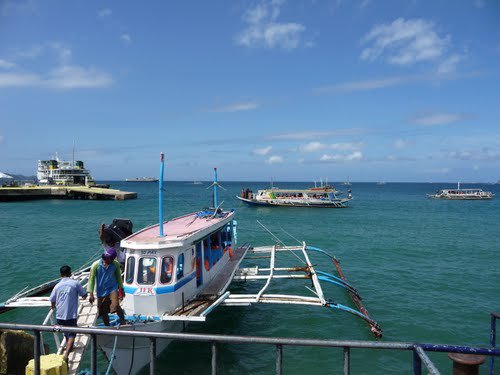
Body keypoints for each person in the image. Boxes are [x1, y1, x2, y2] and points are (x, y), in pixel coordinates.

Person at [49, 265, 88, 362]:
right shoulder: (75, 283)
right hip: (70, 314)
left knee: (66, 333)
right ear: (70, 273)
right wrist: (85, 295)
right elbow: (84, 295)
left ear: (60, 274)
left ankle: (69, 347)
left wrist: (53, 306)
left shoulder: (57, 286)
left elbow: (52, 300)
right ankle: (66, 354)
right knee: (72, 334)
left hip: (59, 315)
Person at [87, 248, 126, 326]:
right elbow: (91, 279)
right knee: (103, 310)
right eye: (104, 258)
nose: (105, 261)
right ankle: (107, 326)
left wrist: (121, 289)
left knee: (115, 305)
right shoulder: (96, 265)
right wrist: (91, 294)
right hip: (101, 290)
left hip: (112, 289)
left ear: (112, 259)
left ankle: (123, 321)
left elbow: (118, 277)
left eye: (107, 259)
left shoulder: (115, 264)